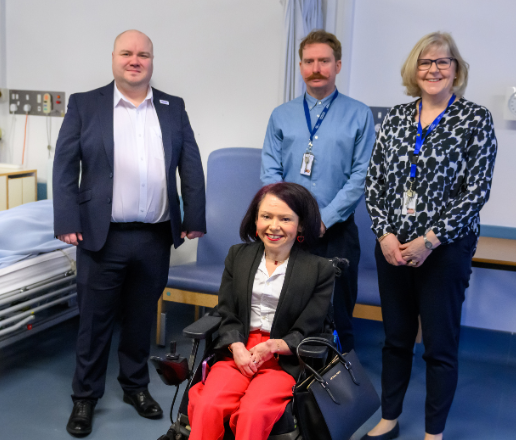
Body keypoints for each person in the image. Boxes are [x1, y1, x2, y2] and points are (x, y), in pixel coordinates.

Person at [51, 29, 207, 438]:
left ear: (152, 61)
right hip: (102, 236)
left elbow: (190, 165)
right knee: (94, 323)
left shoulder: (173, 107)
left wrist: (195, 216)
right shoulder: (86, 105)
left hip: (155, 235)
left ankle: (135, 387)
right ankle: (84, 398)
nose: (135, 60)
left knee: (141, 319)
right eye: (127, 53)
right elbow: (65, 166)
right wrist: (67, 220)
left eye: (143, 54)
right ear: (114, 58)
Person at [362, 32, 497, 440]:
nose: (433, 69)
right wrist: (384, 233)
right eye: (425, 62)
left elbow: (476, 192)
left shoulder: (475, 118)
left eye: (443, 62)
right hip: (392, 249)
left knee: (439, 346)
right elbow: (375, 182)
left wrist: (430, 241)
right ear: (413, 70)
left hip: (445, 250)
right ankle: (389, 417)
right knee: (396, 340)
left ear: (456, 70)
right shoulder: (396, 118)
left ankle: (433, 433)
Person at [186, 182, 335, 440]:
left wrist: (274, 347)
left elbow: (309, 328)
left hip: (283, 355)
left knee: (253, 412)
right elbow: (227, 311)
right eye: (266, 216)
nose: (273, 226)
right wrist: (236, 346)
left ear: (300, 225)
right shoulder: (238, 256)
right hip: (240, 348)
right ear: (255, 220)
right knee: (209, 405)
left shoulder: (319, 270)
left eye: (285, 218)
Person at [261, 30, 374, 354]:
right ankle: (287, 383)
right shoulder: (281, 115)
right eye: (309, 61)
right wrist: (286, 218)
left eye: (324, 61)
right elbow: (270, 171)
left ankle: (339, 389)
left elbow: (361, 175)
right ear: (300, 66)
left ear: (337, 65)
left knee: (338, 315)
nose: (316, 67)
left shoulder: (359, 114)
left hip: (336, 231)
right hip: (288, 232)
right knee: (285, 309)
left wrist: (323, 219)